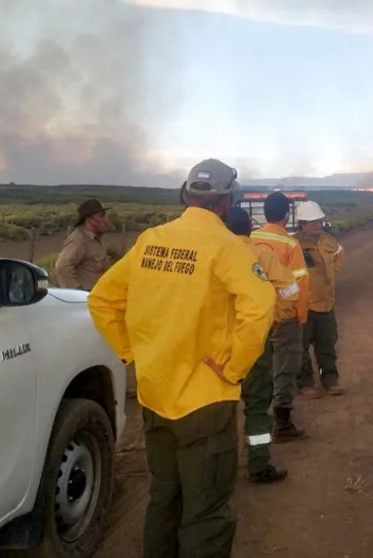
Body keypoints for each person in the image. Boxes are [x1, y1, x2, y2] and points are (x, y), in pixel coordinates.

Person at [87, 159, 275, 558]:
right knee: (206, 513)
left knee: (164, 498)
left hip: (155, 395)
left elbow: (101, 300)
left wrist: (131, 353)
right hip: (205, 400)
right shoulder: (227, 247)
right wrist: (234, 369)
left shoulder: (150, 240)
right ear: (227, 201)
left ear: (186, 195)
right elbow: (260, 306)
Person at [225, 207, 297, 484]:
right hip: (254, 340)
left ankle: (218, 469)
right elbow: (291, 289)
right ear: (250, 229)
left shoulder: (212, 253)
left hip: (215, 344)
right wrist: (275, 315)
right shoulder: (261, 255)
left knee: (217, 407)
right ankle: (258, 464)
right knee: (256, 404)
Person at [250, 192, 310, 442]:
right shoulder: (290, 244)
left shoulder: (250, 240)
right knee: (285, 369)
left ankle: (257, 422)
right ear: (287, 215)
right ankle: (282, 424)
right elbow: (300, 283)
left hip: (256, 317)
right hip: (285, 317)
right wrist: (301, 315)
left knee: (260, 370)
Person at [293, 201, 346, 398]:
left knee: (327, 345)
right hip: (304, 306)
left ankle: (330, 380)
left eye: (319, 221)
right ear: (303, 224)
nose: (318, 225)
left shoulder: (329, 241)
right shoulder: (294, 244)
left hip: (326, 303)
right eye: (313, 222)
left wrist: (332, 273)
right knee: (301, 348)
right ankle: (305, 383)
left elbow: (340, 254)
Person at [54, 198, 112, 291]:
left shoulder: (94, 239)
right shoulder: (79, 240)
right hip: (86, 295)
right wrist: (76, 292)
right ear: (89, 220)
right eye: (101, 216)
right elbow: (62, 267)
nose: (106, 219)